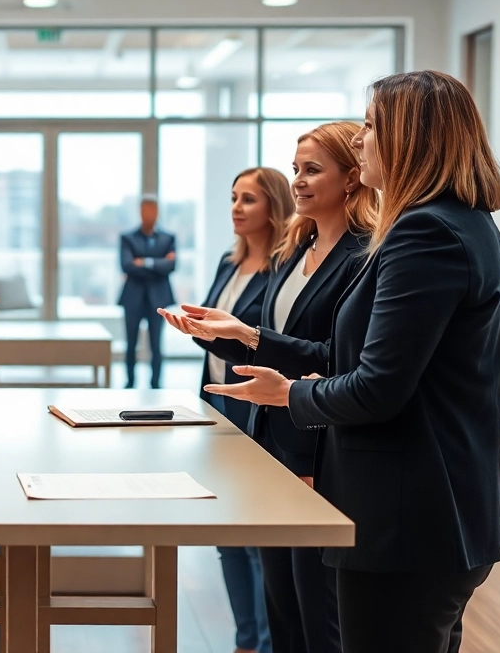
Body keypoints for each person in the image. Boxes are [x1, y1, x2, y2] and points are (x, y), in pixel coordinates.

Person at [211, 70, 500, 653]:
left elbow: (377, 387)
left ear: (409, 139)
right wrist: (256, 339)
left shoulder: (424, 232)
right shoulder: (467, 226)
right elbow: (351, 356)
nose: (361, 140)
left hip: (407, 518)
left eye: (372, 127)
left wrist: (290, 396)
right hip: (439, 511)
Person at [163, 122, 378, 653]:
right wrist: (227, 336)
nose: (299, 181)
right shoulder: (296, 249)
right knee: (281, 604)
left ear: (352, 179)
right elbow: (272, 344)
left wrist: (249, 335)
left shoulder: (363, 255)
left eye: (312, 170)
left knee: (318, 614)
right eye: (296, 169)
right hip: (270, 442)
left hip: (316, 446)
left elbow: (338, 357)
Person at [189, 167, 293, 653]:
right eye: (233, 197)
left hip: (257, 407)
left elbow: (267, 341)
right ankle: (246, 640)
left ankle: (268, 641)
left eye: (248, 199)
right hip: (218, 407)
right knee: (226, 532)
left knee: (258, 536)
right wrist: (190, 323)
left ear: (273, 207)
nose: (236, 207)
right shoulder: (227, 264)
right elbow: (214, 327)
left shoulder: (284, 267)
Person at [117, 194, 177, 388]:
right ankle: (130, 382)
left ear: (158, 212)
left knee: (156, 345)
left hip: (158, 298)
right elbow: (126, 265)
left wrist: (143, 262)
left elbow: (172, 265)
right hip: (133, 298)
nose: (149, 214)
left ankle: (156, 384)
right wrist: (158, 264)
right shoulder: (127, 238)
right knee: (131, 344)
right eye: (145, 210)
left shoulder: (168, 238)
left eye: (152, 210)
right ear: (140, 211)